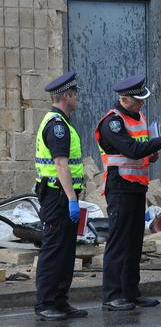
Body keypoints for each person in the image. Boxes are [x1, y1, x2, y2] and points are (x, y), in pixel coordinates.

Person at [95, 74, 161, 311]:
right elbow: (132, 150)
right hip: (119, 186)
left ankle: (131, 292)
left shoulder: (139, 116)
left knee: (135, 242)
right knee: (118, 242)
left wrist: (151, 152)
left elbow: (141, 149)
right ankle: (112, 295)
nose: (142, 103)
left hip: (136, 185)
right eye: (137, 100)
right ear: (124, 98)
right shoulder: (112, 122)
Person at [33, 71, 88, 321]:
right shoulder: (57, 126)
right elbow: (61, 164)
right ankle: (45, 303)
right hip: (58, 196)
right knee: (54, 250)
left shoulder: (61, 122)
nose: (77, 99)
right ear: (67, 95)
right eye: (75, 95)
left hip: (61, 194)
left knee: (66, 252)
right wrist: (72, 199)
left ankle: (59, 301)